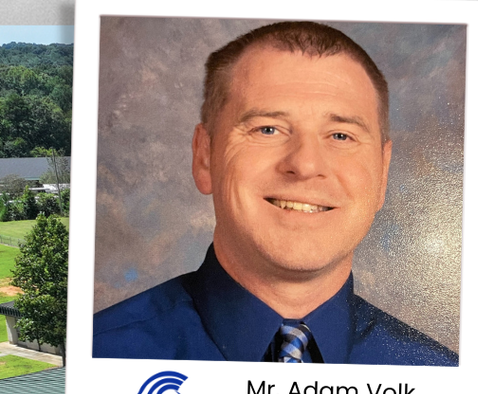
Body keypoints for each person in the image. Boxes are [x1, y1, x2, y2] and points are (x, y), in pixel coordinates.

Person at [93, 22, 457, 366]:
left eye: (341, 136)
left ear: (382, 173)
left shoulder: (441, 379)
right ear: (204, 156)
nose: (305, 164)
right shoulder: (97, 354)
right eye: (268, 129)